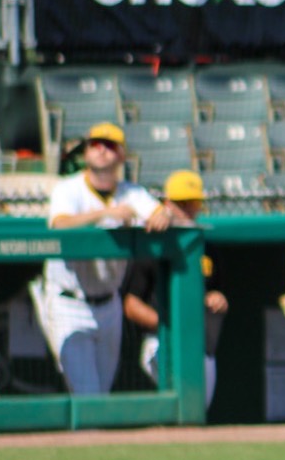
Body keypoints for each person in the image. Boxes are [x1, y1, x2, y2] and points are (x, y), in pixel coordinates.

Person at [33, 122, 167, 395]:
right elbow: (59, 224)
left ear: (121, 156)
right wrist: (105, 215)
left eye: (110, 145)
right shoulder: (68, 189)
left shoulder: (131, 192)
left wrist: (161, 214)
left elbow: (159, 213)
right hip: (69, 302)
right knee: (88, 394)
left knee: (101, 395)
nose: (102, 150)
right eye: (96, 144)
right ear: (86, 152)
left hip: (109, 303)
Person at [121, 170, 225, 404]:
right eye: (181, 204)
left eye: (193, 203)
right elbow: (131, 304)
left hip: (199, 339)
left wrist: (216, 297)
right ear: (167, 204)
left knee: (199, 408)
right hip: (159, 339)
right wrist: (168, 326)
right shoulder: (152, 247)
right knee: (184, 399)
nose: (188, 209)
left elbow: (215, 290)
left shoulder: (206, 245)